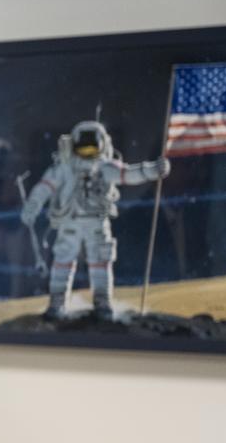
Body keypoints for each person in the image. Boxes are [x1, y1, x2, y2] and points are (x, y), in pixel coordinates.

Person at [20, 119, 169, 319]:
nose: (87, 154)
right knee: (63, 261)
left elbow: (128, 174)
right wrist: (32, 207)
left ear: (102, 145)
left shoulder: (105, 167)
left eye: (92, 149)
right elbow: (44, 188)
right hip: (70, 222)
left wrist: (151, 171)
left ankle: (102, 301)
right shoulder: (64, 168)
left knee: (100, 262)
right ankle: (57, 302)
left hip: (96, 223)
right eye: (83, 149)